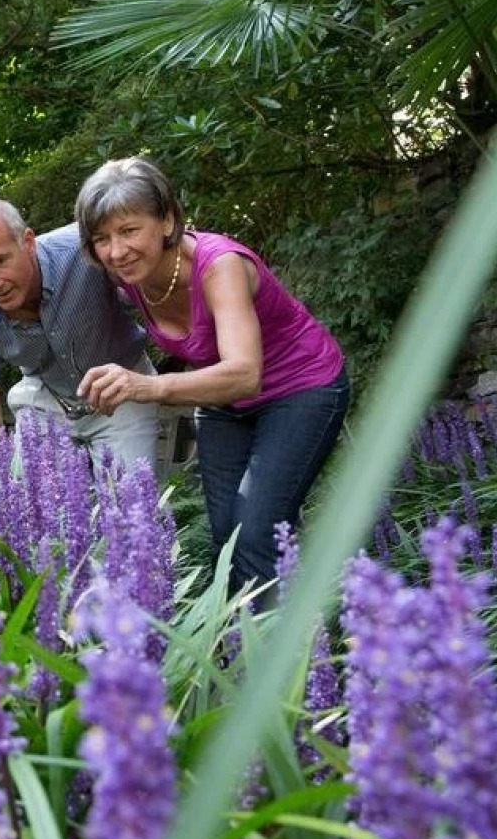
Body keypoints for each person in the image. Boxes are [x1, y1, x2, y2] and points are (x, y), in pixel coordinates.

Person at [72, 157, 350, 596]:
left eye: (128, 231)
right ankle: (256, 641)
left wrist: (148, 386)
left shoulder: (219, 266)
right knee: (228, 540)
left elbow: (244, 374)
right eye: (102, 239)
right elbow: (34, 254)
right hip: (225, 407)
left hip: (302, 389)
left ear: (166, 220)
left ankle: (280, 659)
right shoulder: (128, 275)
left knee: (256, 532)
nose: (116, 251)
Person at [0, 198, 161, 470]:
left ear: (28, 242)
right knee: (38, 505)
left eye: (0, 261)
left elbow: (155, 280)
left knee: (132, 501)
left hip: (122, 389)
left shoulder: (86, 248)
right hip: (46, 400)